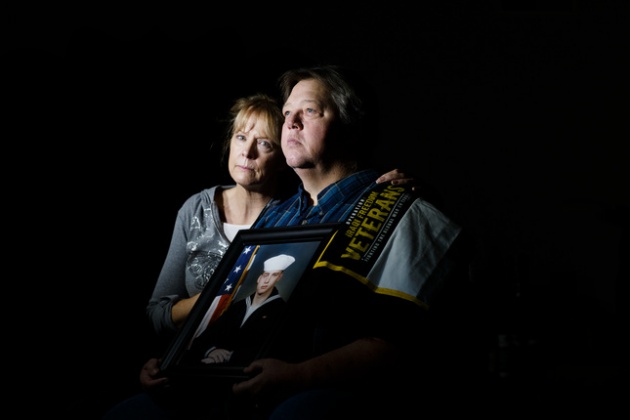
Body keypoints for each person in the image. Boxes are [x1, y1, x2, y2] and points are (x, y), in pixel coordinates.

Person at [103, 66, 463, 420]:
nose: (290, 123)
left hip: (326, 393)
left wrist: (299, 376)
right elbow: (227, 316)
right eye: (288, 113)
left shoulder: (404, 211)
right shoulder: (274, 218)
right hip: (235, 387)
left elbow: (402, 342)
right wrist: (173, 365)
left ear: (350, 127)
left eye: (309, 111)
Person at [145, 93, 415, 346]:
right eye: (241, 137)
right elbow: (157, 314)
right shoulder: (196, 210)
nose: (247, 152)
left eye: (264, 143)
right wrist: (222, 294)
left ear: (284, 156)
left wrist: (402, 188)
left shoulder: (296, 216)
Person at [187, 254, 296, 366]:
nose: (267, 280)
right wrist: (211, 351)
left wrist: (226, 359)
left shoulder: (281, 310)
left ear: (279, 277)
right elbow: (202, 339)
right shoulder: (238, 306)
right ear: (259, 278)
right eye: (265, 275)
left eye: (274, 275)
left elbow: (274, 352)